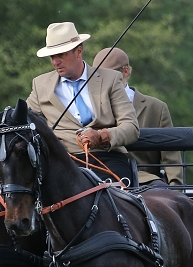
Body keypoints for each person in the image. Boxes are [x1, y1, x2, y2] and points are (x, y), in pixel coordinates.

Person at [27, 22, 139, 183]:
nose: (55, 62)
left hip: (107, 158)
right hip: (63, 162)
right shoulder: (40, 85)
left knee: (117, 202)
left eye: (61, 55)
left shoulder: (110, 79)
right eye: (52, 56)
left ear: (78, 51)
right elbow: (25, 124)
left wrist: (103, 136)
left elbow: (131, 127)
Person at [92, 47, 183, 185]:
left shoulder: (156, 108)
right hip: (100, 179)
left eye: (110, 75)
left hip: (143, 181)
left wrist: (175, 189)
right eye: (99, 76)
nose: (105, 81)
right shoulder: (88, 105)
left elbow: (171, 157)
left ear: (126, 71)